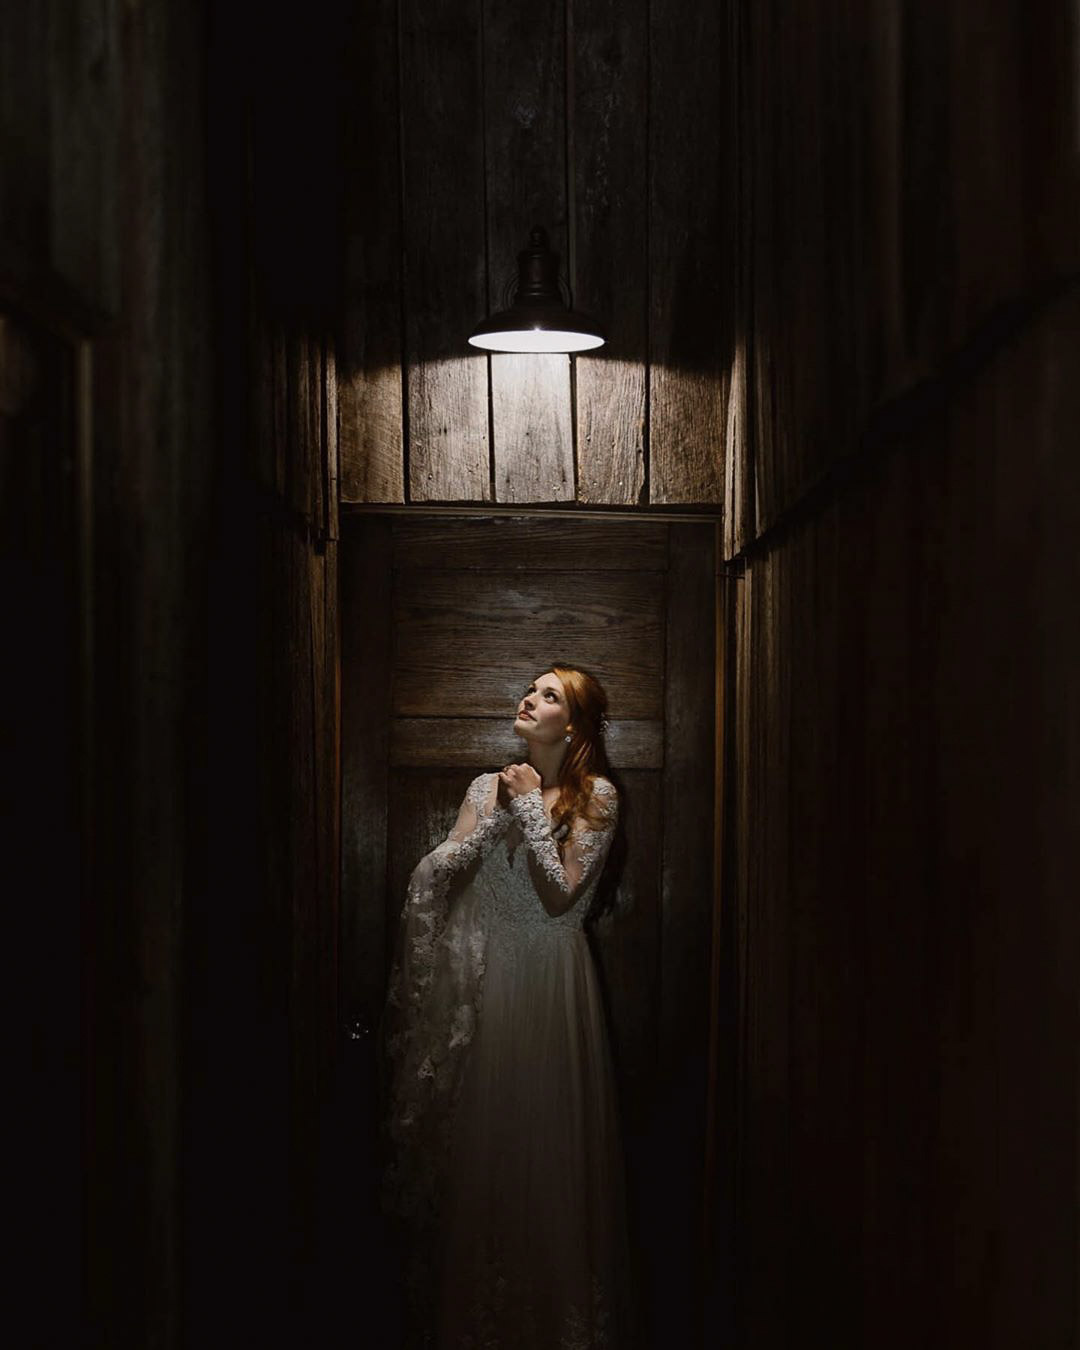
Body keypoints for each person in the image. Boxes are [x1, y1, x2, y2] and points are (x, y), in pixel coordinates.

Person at [380, 664, 634, 1349]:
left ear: (573, 725)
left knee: (548, 1150)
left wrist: (527, 808)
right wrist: (472, 838)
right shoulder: (483, 786)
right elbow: (439, 870)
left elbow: (563, 897)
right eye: (531, 688)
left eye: (550, 695)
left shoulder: (598, 795)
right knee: (488, 1155)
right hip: (489, 983)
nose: (530, 698)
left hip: (553, 980)